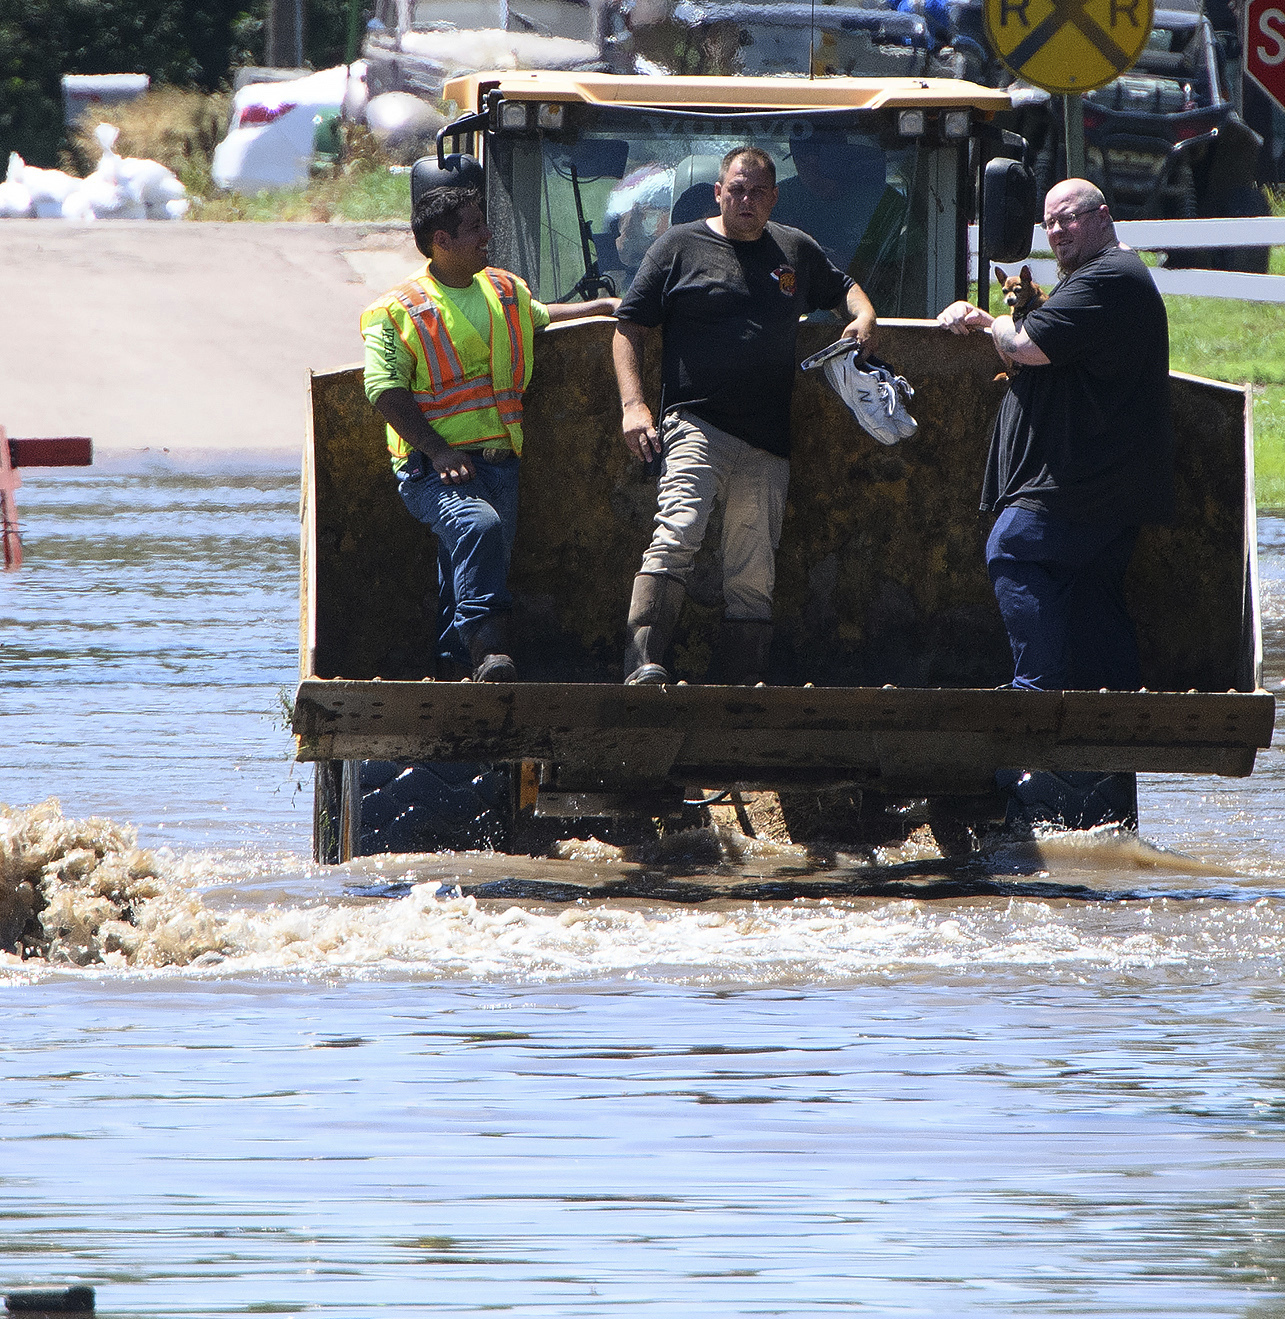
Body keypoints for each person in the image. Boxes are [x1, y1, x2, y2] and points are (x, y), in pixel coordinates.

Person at [937, 176, 1172, 822]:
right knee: (1093, 600)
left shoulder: (1110, 278)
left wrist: (987, 324)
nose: (1059, 231)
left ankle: (1034, 713)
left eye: (1070, 218)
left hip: (1080, 485)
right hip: (1099, 486)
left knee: (1013, 546)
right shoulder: (1091, 283)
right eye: (1050, 223)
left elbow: (1026, 346)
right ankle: (1102, 770)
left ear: (1103, 216)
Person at [613, 144, 880, 686]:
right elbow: (628, 327)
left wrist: (865, 317)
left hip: (768, 437)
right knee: (678, 531)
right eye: (737, 189)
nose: (747, 200)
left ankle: (740, 687)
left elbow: (845, 288)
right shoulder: (677, 245)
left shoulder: (794, 249)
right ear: (719, 191)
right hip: (695, 423)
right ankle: (643, 666)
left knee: (754, 565)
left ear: (774, 198)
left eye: (758, 192)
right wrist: (633, 404)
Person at [362, 157, 615, 681]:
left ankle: (452, 671)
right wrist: (437, 450)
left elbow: (541, 315)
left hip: (501, 463)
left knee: (468, 565)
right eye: (475, 227)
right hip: (434, 467)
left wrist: (600, 308)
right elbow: (383, 391)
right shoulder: (397, 309)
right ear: (441, 241)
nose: (487, 234)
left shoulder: (503, 288)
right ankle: (490, 654)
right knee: (479, 526)